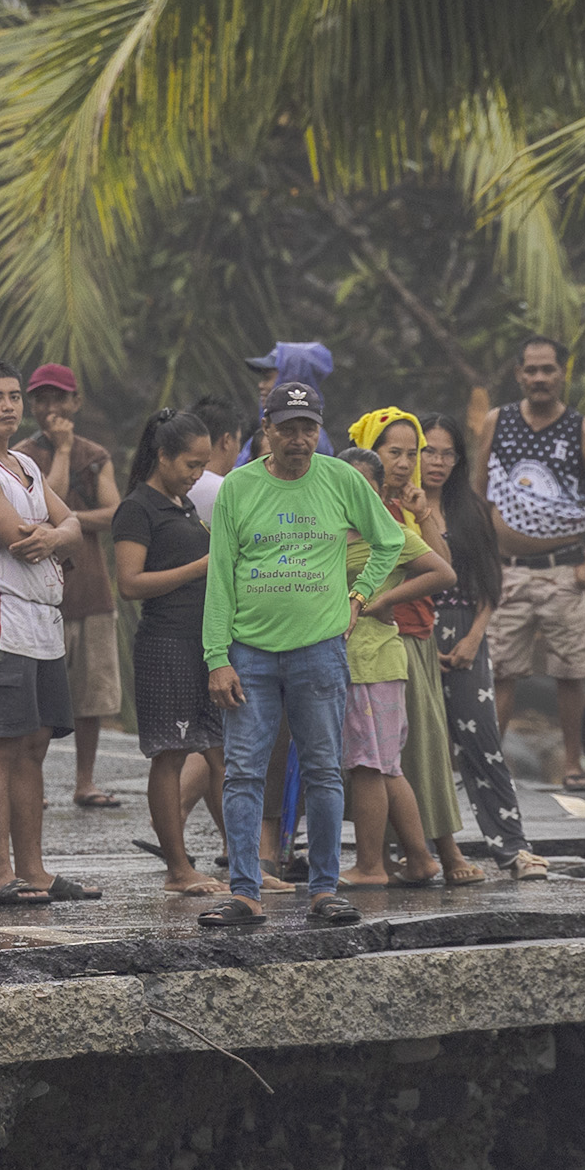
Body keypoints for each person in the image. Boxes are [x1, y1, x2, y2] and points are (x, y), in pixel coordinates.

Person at [199, 386, 441, 924]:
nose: (299, 439)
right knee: (243, 773)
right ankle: (244, 892)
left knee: (324, 771)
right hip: (249, 653)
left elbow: (389, 540)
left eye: (308, 428)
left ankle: (324, 890)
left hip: (320, 651)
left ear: (319, 431)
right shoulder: (239, 487)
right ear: (267, 429)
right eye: (287, 428)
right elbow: (220, 577)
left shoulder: (342, 479)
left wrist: (360, 596)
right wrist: (216, 657)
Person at [0, 357, 89, 908]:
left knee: (35, 745)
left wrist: (55, 535)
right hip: (1, 616)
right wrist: (56, 534)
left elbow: (71, 526)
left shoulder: (25, 463)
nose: (8, 407)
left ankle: (35, 870)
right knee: (0, 744)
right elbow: (18, 536)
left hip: (43, 617)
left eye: (13, 397)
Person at [350, 407, 482, 888]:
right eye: (394, 453)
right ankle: (398, 854)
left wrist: (423, 514)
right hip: (384, 639)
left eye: (413, 453)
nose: (406, 464)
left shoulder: (401, 510)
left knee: (415, 751)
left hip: (405, 639)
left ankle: (439, 851)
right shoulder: (365, 506)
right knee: (386, 758)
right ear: (370, 454)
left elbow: (444, 568)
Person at [482, 332, 585, 787]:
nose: (539, 378)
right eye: (531, 370)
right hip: (507, 570)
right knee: (500, 670)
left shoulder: (581, 429)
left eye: (548, 369)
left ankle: (573, 765)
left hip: (563, 570)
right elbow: (477, 493)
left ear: (562, 374)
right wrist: (482, 562)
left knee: (569, 671)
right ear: (519, 374)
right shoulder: (498, 421)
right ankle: (490, 766)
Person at [419, 414, 543, 877]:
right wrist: (421, 640)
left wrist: (474, 638)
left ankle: (513, 848)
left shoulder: (474, 510)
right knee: (417, 747)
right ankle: (416, 851)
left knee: (482, 741)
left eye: (447, 453)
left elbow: (491, 581)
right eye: (428, 452)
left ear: (459, 459)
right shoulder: (397, 509)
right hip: (415, 633)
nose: (437, 462)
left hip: (467, 630)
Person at [109, 408, 222, 895]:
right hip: (165, 645)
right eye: (191, 465)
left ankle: (246, 861)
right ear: (163, 456)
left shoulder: (184, 505)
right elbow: (130, 584)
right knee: (171, 755)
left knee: (222, 754)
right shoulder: (137, 508)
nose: (198, 475)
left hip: (205, 645)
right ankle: (179, 870)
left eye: (204, 466)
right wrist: (199, 567)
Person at [18, 365, 128, 810]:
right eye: (41, 399)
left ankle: (85, 781)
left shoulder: (95, 454)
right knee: (41, 698)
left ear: (75, 402)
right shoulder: (22, 456)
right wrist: (62, 452)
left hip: (91, 590)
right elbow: (46, 507)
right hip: (44, 596)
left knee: (91, 697)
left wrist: (71, 522)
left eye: (59, 398)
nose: (51, 408)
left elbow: (115, 513)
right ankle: (34, 783)